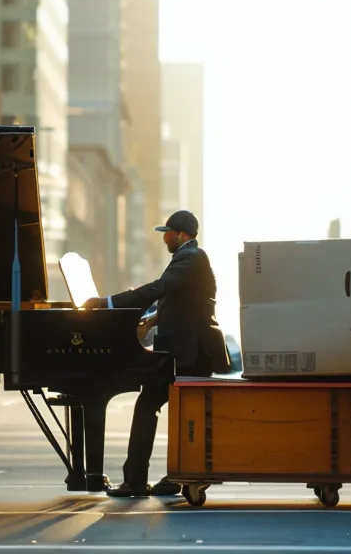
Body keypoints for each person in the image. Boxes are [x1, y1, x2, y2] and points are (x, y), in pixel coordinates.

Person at [83, 209, 229, 498]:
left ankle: (141, 480)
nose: (165, 239)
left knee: (155, 407)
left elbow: (159, 289)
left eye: (168, 233)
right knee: (163, 408)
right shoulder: (188, 259)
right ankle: (166, 478)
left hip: (188, 352)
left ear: (181, 235)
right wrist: (150, 321)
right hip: (184, 350)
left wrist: (108, 303)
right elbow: (179, 300)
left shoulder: (190, 258)